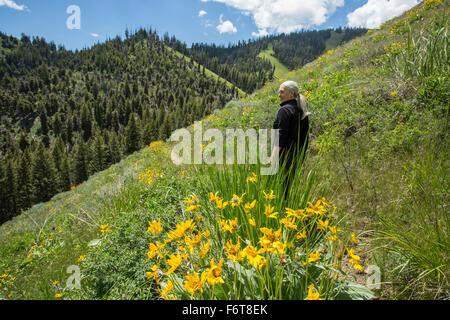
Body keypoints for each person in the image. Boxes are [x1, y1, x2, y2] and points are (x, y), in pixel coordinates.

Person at [271, 80, 310, 200]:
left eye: (282, 92)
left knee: (275, 189)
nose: (279, 95)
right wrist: (301, 157)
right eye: (279, 92)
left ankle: (279, 214)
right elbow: (305, 138)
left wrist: (273, 157)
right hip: (295, 157)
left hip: (282, 157)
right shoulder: (301, 112)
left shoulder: (284, 111)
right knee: (286, 189)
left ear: (292, 93)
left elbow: (281, 136)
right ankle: (285, 212)